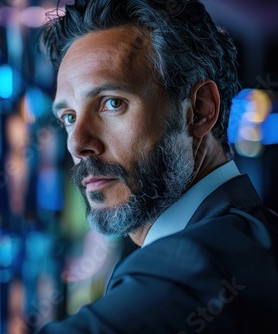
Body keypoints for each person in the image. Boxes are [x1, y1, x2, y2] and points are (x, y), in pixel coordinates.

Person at [39, 0, 278, 333]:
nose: (78, 144)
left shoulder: (201, 262)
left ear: (199, 110)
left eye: (111, 103)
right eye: (69, 117)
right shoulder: (249, 233)